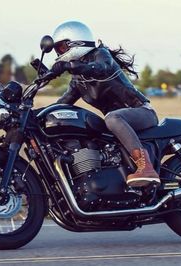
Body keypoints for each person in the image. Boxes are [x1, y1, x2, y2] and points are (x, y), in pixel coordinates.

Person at [51, 21, 160, 187]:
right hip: (115, 122)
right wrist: (38, 115)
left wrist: (70, 65)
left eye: (62, 47)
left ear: (76, 42)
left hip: (141, 112)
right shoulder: (78, 81)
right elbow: (62, 103)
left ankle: (146, 168)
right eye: (57, 49)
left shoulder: (101, 54)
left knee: (112, 118)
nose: (60, 53)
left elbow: (101, 68)